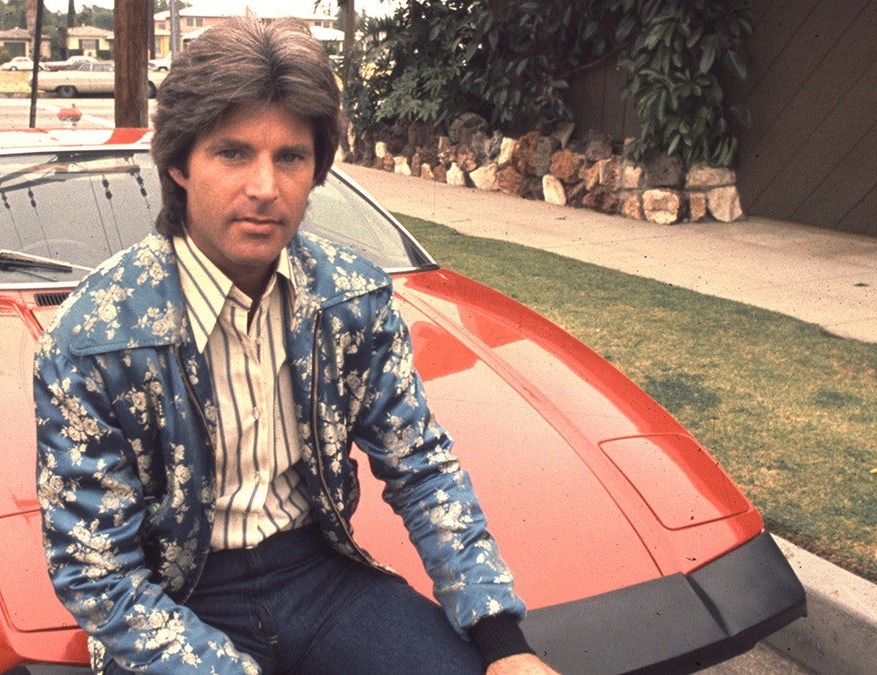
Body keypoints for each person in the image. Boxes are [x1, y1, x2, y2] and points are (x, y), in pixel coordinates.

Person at [35, 15, 558, 675]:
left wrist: (503, 642)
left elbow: (421, 466)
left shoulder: (351, 300)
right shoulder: (90, 339)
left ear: (315, 171)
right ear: (177, 164)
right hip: (171, 596)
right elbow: (96, 571)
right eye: (232, 153)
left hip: (321, 576)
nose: (265, 187)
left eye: (290, 157)